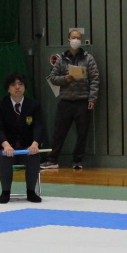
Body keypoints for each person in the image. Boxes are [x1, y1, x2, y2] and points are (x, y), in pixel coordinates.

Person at [41, 30, 100, 170]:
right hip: (65, 101)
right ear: (68, 40)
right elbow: (53, 78)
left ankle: (77, 161)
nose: (76, 40)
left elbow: (95, 79)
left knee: (82, 133)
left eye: (78, 38)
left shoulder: (88, 58)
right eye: (73, 37)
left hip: (83, 101)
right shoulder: (61, 59)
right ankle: (52, 160)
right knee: (58, 133)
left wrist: (92, 98)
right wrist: (65, 79)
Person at [0, 72, 44, 204]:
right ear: (8, 88)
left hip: (27, 146)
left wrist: (35, 144)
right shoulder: (0, 104)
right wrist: (6, 145)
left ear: (25, 87)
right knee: (4, 156)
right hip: (7, 147)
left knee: (34, 155)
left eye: (20, 84)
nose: (17, 87)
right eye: (13, 85)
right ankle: (5, 192)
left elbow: (38, 126)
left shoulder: (34, 105)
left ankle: (31, 192)